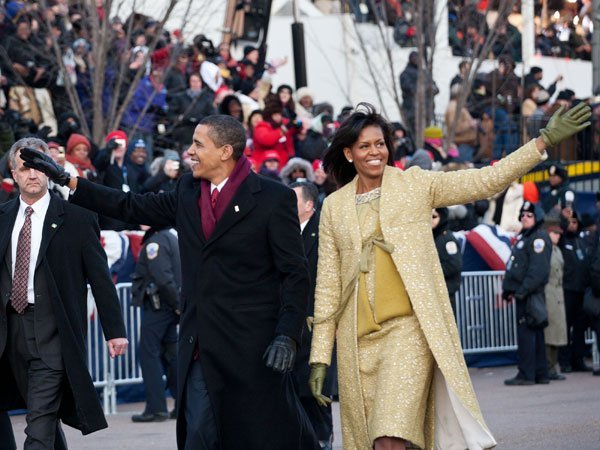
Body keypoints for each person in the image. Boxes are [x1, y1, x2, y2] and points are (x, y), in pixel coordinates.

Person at [20, 116, 319, 450]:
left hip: (253, 347)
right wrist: (70, 181)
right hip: (200, 346)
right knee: (199, 437)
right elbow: (131, 205)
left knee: (258, 437)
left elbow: (295, 273)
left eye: (198, 144)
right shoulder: (188, 190)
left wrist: (287, 335)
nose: (189, 152)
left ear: (225, 152)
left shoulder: (272, 198)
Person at [307, 102, 590, 450]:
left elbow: (485, 181)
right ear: (349, 154)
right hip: (358, 344)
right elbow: (328, 285)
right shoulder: (334, 207)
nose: (374, 152)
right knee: (372, 441)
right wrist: (320, 356)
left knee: (389, 438)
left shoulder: (415, 185)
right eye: (364, 146)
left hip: (408, 331)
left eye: (380, 143)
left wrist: (541, 143)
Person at [0, 138, 128, 449]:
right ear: (13, 175)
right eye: (25, 168)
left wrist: (115, 331)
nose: (33, 175)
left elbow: (101, 280)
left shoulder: (77, 218)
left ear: (51, 171)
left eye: (40, 167)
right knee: (40, 413)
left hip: (53, 333)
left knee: (40, 420)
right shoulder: (2, 217)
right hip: (8, 333)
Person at [290, 181, 334, 450]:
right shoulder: (285, 230)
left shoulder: (323, 232)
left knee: (315, 388)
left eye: (292, 200)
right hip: (291, 323)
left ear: (309, 205)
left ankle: (322, 438)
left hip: (316, 322)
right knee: (294, 388)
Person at [131, 226, 181, 423]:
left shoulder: (155, 242)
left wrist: (176, 304)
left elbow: (163, 277)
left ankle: (156, 408)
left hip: (158, 307)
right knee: (172, 355)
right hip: (168, 306)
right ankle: (182, 404)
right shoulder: (169, 237)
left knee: (148, 354)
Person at [502, 201, 552, 386]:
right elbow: (517, 266)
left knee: (528, 334)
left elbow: (537, 271)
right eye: (522, 214)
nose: (524, 217)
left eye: (529, 215)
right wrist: (509, 289)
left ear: (537, 217)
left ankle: (527, 374)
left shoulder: (538, 238)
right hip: (524, 292)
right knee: (534, 333)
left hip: (530, 294)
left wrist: (521, 291)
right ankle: (540, 373)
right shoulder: (526, 236)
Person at [543, 215, 568, 381]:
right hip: (549, 292)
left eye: (559, 234)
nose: (558, 236)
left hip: (558, 293)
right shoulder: (545, 249)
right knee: (549, 333)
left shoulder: (557, 250)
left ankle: (553, 366)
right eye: (555, 233)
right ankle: (548, 367)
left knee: (558, 333)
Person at [432, 207, 462, 314]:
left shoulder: (447, 238)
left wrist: (431, 272)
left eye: (434, 217)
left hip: (446, 291)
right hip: (433, 292)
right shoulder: (430, 237)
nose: (430, 220)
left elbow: (453, 264)